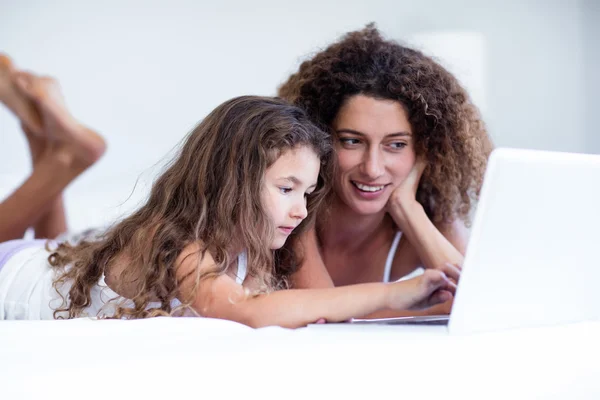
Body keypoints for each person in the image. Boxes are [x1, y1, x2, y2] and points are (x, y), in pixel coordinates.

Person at [0, 55, 455, 326]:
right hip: (11, 274)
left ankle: (50, 150)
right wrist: (394, 293)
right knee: (34, 257)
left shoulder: (259, 241)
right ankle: (60, 157)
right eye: (286, 188)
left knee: (58, 257)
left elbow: (300, 307)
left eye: (308, 192)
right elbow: (248, 310)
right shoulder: (177, 244)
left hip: (59, 261)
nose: (300, 210)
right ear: (232, 181)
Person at [278, 24, 493, 316]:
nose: (372, 168)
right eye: (352, 141)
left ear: (426, 150)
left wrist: (406, 208)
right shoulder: (292, 211)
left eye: (396, 145)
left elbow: (480, 307)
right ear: (318, 137)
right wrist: (417, 306)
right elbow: (325, 316)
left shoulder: (431, 216)